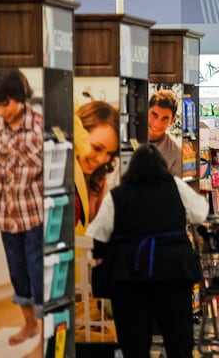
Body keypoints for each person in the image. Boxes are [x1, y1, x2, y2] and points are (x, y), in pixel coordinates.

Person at [86, 144, 207, 358]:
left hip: (130, 275)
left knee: (135, 342)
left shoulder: (117, 195)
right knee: (178, 338)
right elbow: (200, 212)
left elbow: (98, 234)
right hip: (173, 272)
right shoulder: (175, 186)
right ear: (162, 166)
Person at [0, 68, 44, 351]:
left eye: (4, 104)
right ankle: (30, 324)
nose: (1, 112)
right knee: (18, 275)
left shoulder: (42, 126)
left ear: (19, 96)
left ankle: (48, 330)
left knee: (38, 274)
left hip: (37, 216)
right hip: (8, 218)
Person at [75, 100, 120, 228]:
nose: (101, 160)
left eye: (109, 153)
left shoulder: (99, 178)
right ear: (78, 135)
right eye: (97, 148)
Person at [148, 89, 182, 177]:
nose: (157, 123)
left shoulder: (175, 154)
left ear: (172, 120)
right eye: (154, 115)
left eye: (165, 118)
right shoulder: (128, 137)